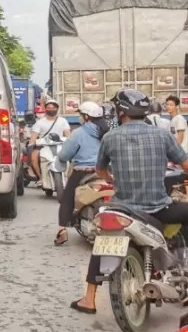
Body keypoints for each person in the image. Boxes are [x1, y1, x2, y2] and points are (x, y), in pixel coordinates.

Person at [70, 88, 188, 315]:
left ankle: (89, 298)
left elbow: (101, 170)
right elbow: (184, 165)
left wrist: (112, 179)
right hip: (159, 208)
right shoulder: (163, 135)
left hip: (122, 208)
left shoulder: (110, 137)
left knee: (103, 241)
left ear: (120, 111)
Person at [53, 101, 105, 246]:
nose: (80, 118)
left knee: (67, 199)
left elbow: (64, 155)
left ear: (87, 117)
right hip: (106, 172)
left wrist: (63, 158)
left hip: (82, 172)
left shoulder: (79, 133)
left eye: (81, 115)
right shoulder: (107, 132)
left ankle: (62, 229)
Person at [27, 98, 70, 185]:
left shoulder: (63, 121)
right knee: (34, 156)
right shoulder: (40, 122)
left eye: (53, 108)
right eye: (49, 108)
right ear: (46, 109)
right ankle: (40, 178)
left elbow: (68, 134)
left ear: (57, 109)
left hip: (60, 145)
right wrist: (31, 144)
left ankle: (69, 177)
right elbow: (34, 136)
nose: (51, 110)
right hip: (44, 146)